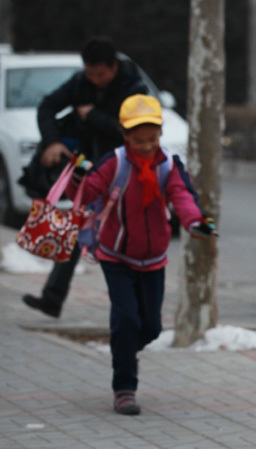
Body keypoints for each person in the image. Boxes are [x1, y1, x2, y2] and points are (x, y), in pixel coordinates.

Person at [68, 94, 216, 416]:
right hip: (116, 257)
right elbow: (87, 193)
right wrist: (77, 176)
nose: (147, 146)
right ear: (125, 136)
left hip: (153, 259)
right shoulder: (115, 162)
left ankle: (123, 351)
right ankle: (125, 388)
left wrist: (195, 223)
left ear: (160, 134)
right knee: (127, 319)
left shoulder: (169, 166)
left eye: (152, 138)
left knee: (150, 328)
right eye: (139, 140)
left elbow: (182, 196)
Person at [21, 36, 148, 318]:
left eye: (100, 74)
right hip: (92, 168)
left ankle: (137, 304)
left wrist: (94, 116)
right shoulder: (81, 83)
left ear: (114, 67)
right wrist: (53, 142)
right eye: (90, 73)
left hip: (123, 170)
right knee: (81, 229)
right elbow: (47, 107)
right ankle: (53, 298)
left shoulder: (135, 90)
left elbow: (134, 133)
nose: (95, 79)